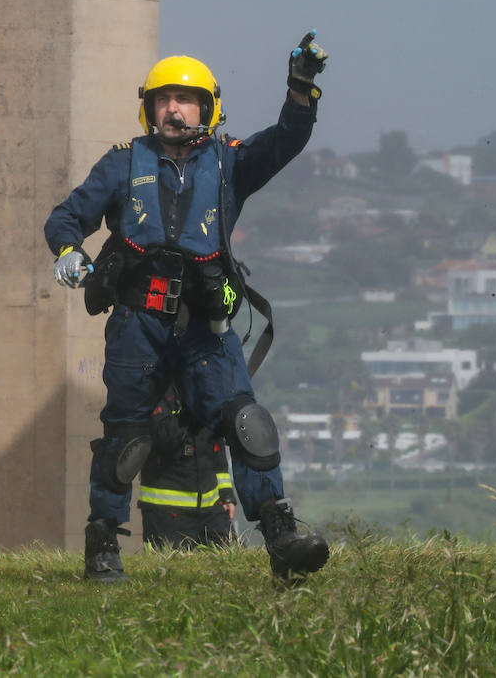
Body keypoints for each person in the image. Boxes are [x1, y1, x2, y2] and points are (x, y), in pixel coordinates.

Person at [43, 33, 331, 584]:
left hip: (207, 326)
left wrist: (301, 88)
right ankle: (102, 544)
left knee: (245, 422)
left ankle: (280, 535)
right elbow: (66, 217)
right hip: (137, 325)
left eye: (186, 99)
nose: (173, 109)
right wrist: (67, 252)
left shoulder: (231, 163)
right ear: (149, 108)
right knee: (125, 436)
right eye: (163, 100)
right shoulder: (123, 163)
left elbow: (287, 140)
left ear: (208, 108)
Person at [139, 386, 236, 551]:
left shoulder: (204, 391)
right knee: (174, 573)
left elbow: (216, 449)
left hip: (211, 510)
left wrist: (226, 495)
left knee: (227, 568)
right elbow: (162, 438)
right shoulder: (153, 388)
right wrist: (190, 411)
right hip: (166, 514)